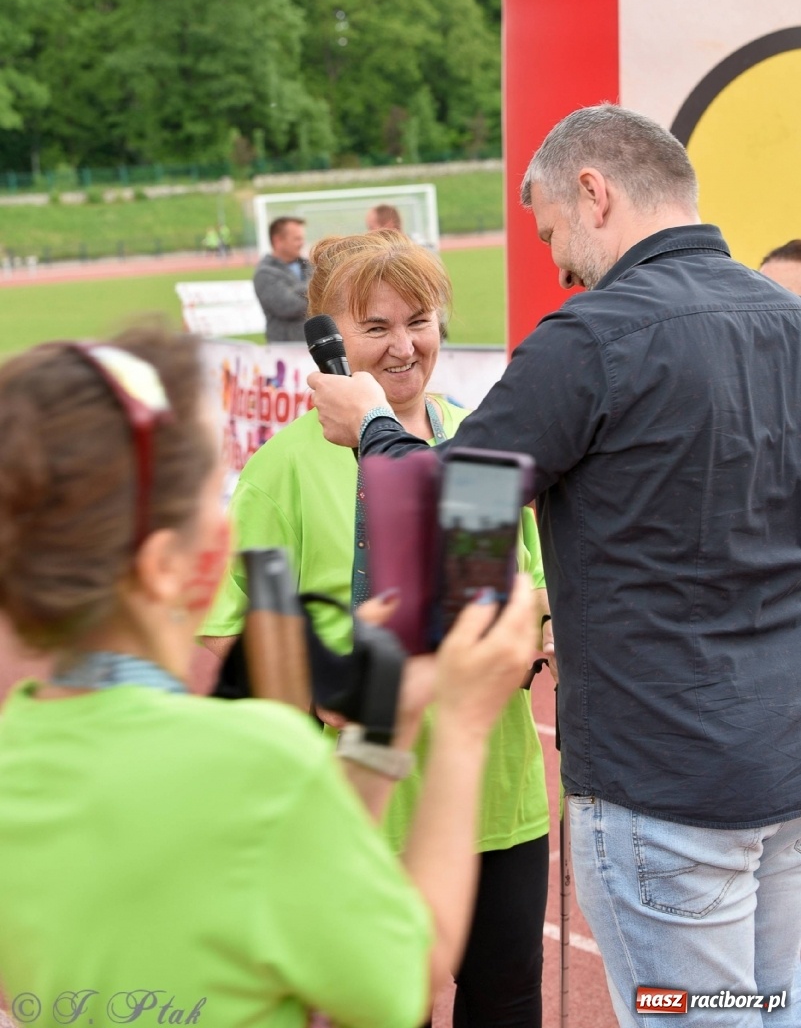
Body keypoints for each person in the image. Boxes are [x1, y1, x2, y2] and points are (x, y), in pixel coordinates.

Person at [308, 104, 801, 1028]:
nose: (556, 264)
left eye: (547, 231)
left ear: (592, 191)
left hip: (666, 785)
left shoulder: (593, 335)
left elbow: (457, 515)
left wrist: (371, 426)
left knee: (695, 1015)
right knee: (770, 1010)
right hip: (782, 763)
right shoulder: (786, 318)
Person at [0, 324, 537, 1028]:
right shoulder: (256, 760)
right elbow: (400, 980)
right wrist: (462, 726)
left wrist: (384, 724)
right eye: (208, 503)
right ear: (169, 566)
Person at [202, 231, 553, 1028]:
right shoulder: (282, 469)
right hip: (358, 809)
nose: (403, 347)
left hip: (496, 801)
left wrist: (531, 624)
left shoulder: (477, 440)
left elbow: (527, 585)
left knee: (506, 1006)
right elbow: (230, 640)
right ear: (327, 340)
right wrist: (311, 690)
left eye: (419, 321)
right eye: (375, 328)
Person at [253, 216, 312, 341]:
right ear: (278, 241)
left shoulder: (309, 266)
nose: (302, 243)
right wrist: (317, 290)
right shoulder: (264, 273)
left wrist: (295, 291)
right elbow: (289, 307)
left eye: (302, 238)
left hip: (319, 349)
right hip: (286, 353)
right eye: (297, 239)